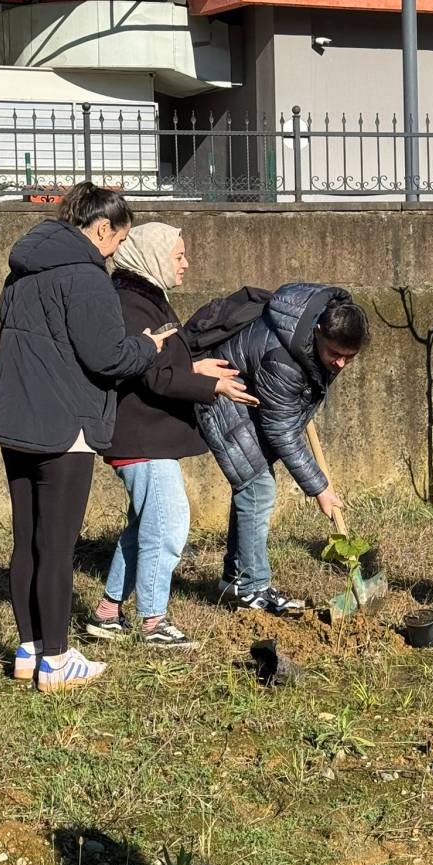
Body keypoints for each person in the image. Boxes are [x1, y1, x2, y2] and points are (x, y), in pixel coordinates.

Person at [0, 183, 175, 691]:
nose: (116, 252)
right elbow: (107, 358)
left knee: (27, 542)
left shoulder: (21, 272)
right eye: (119, 240)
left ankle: (29, 651)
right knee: (56, 546)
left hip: (16, 423)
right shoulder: (87, 277)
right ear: (102, 228)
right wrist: (148, 347)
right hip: (66, 427)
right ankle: (57, 660)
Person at [87, 222, 258, 650]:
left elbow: (156, 364)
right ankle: (153, 622)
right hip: (141, 436)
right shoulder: (132, 303)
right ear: (152, 256)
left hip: (146, 434)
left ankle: (107, 613)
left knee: (145, 525)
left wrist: (194, 368)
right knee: (168, 526)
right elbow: (152, 376)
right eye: (178, 255)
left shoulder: (147, 297)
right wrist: (211, 386)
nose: (185, 263)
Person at [196, 283, 369, 615]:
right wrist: (319, 488)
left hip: (250, 395)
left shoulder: (323, 316)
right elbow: (281, 429)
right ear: (317, 332)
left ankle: (235, 580)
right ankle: (252, 588)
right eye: (335, 354)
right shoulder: (284, 360)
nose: (341, 364)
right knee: (257, 488)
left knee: (252, 488)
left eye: (349, 357)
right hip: (223, 396)